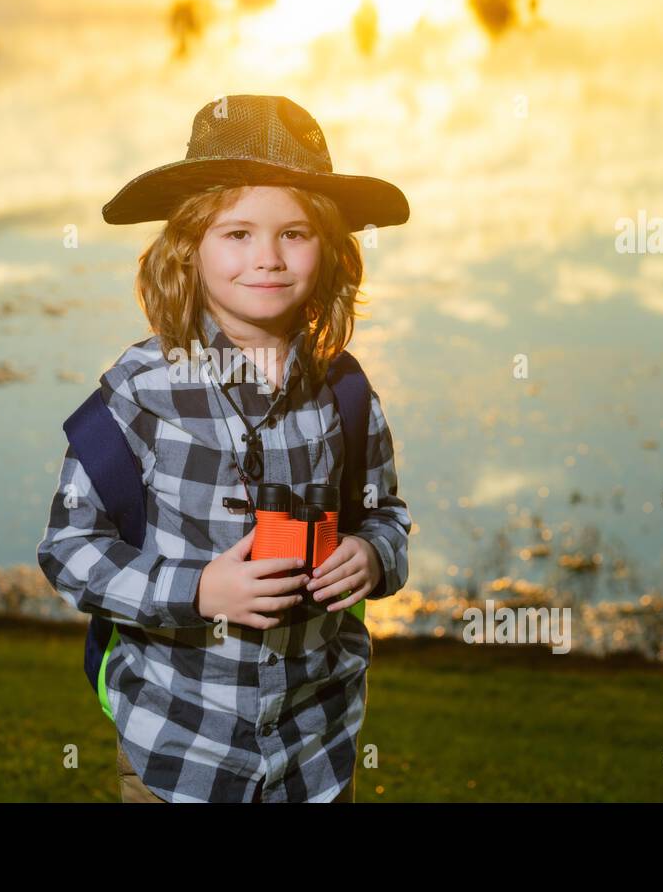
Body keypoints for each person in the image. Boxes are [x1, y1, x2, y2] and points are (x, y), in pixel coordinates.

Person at [37, 94, 412, 802]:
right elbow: (69, 549)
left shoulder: (346, 394)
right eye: (237, 233)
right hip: (182, 753)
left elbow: (384, 514)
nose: (267, 258)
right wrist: (199, 590)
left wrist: (373, 555)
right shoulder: (139, 393)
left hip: (316, 755)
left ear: (331, 249)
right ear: (189, 248)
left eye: (294, 233)